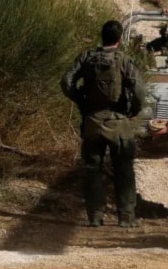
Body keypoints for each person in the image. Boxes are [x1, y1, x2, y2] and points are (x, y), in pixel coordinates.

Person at [61, 20, 146, 228]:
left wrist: (80, 100)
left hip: (92, 121)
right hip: (119, 122)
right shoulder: (125, 61)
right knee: (124, 170)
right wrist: (134, 110)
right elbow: (139, 90)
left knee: (92, 170)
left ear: (102, 36)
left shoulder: (87, 57)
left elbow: (66, 80)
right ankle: (126, 217)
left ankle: (94, 217)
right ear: (120, 39)